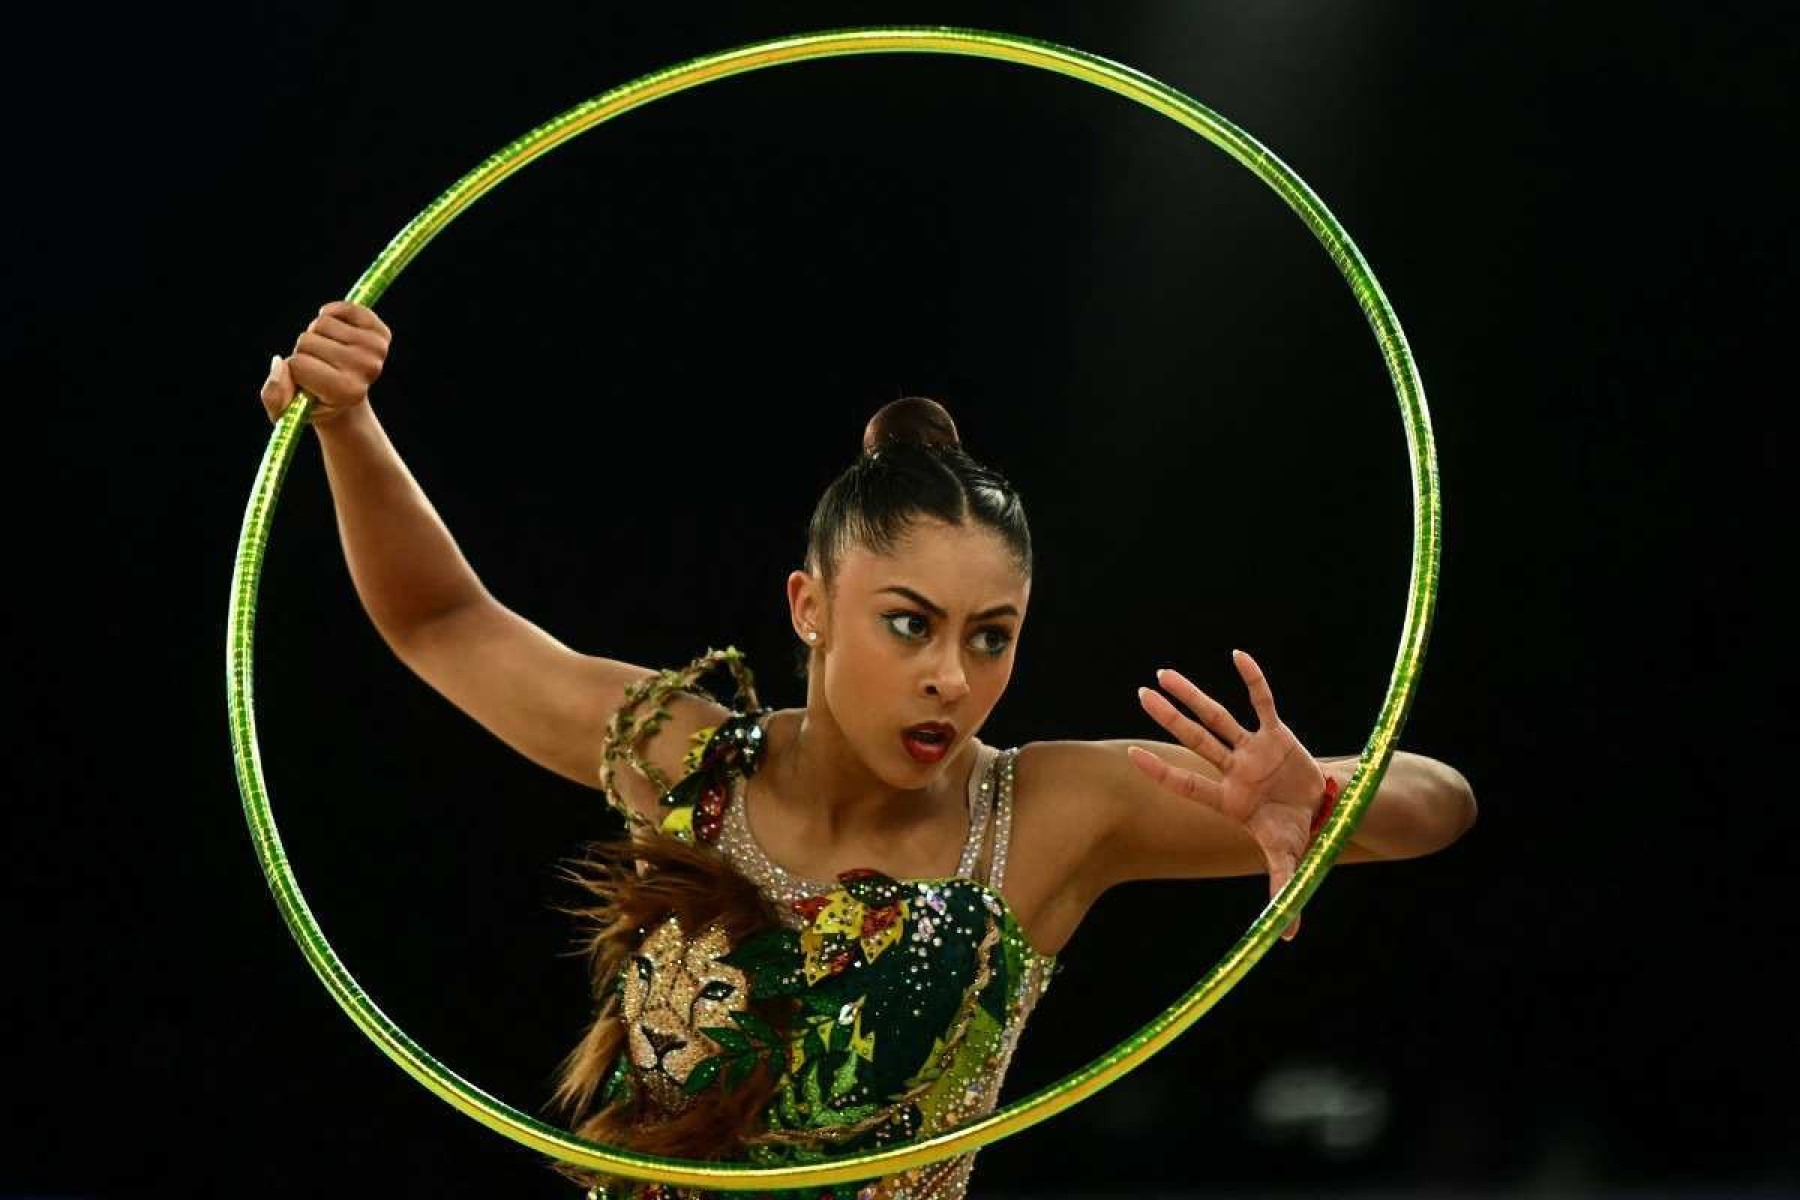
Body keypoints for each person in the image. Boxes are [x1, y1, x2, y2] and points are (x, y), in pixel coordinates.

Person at [260, 301, 1477, 1199]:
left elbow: (1442, 804)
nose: (953, 674)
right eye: (909, 624)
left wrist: (1320, 794)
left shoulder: (1052, 812)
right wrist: (351, 425)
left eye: (991, 636)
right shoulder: (688, 758)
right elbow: (443, 622)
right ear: (809, 608)